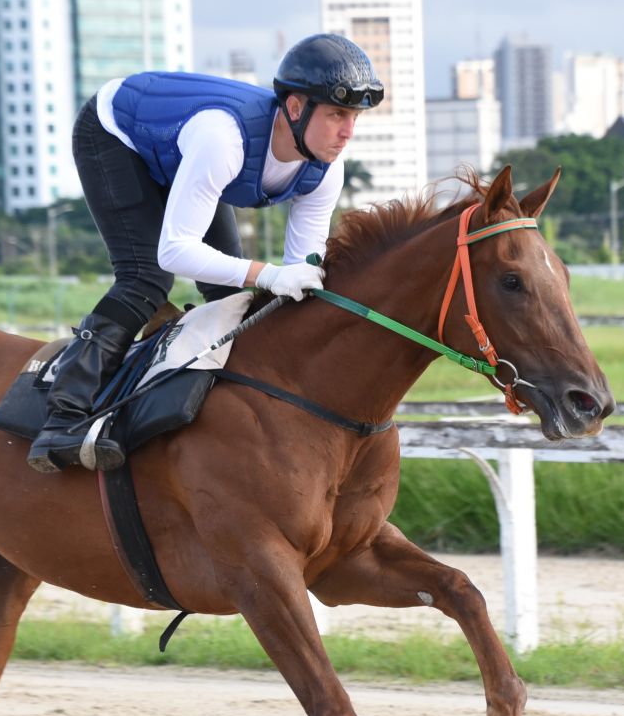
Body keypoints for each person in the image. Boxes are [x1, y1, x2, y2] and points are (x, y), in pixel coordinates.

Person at [26, 33, 385, 473]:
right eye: (337, 115)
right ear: (295, 108)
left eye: (354, 117)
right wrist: (270, 274)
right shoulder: (223, 140)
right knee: (145, 277)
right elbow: (175, 252)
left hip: (180, 151)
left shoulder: (327, 170)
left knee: (231, 296)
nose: (348, 132)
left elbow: (302, 271)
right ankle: (62, 417)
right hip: (115, 134)